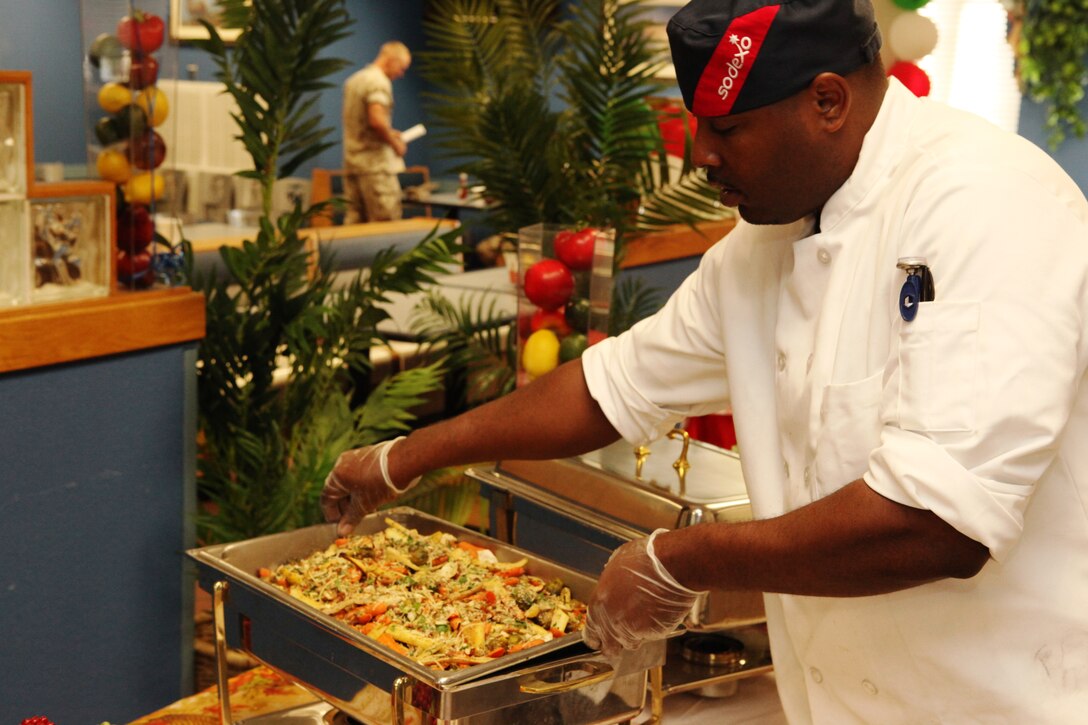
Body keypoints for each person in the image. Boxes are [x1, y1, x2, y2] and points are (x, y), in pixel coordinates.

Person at [321, 0, 1088, 721]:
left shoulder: (985, 203)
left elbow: (936, 522)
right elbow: (610, 386)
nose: (701, 157)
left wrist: (683, 558)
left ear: (827, 102)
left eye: (728, 128)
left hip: (1003, 699)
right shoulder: (762, 244)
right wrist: (404, 455)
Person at [342, 41, 411, 223]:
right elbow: (376, 120)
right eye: (401, 68)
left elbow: (362, 122)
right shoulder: (379, 82)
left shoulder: (355, 80)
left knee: (356, 222)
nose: (401, 74)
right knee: (385, 223)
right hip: (376, 168)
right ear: (391, 60)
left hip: (353, 164)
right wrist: (394, 142)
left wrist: (389, 132)